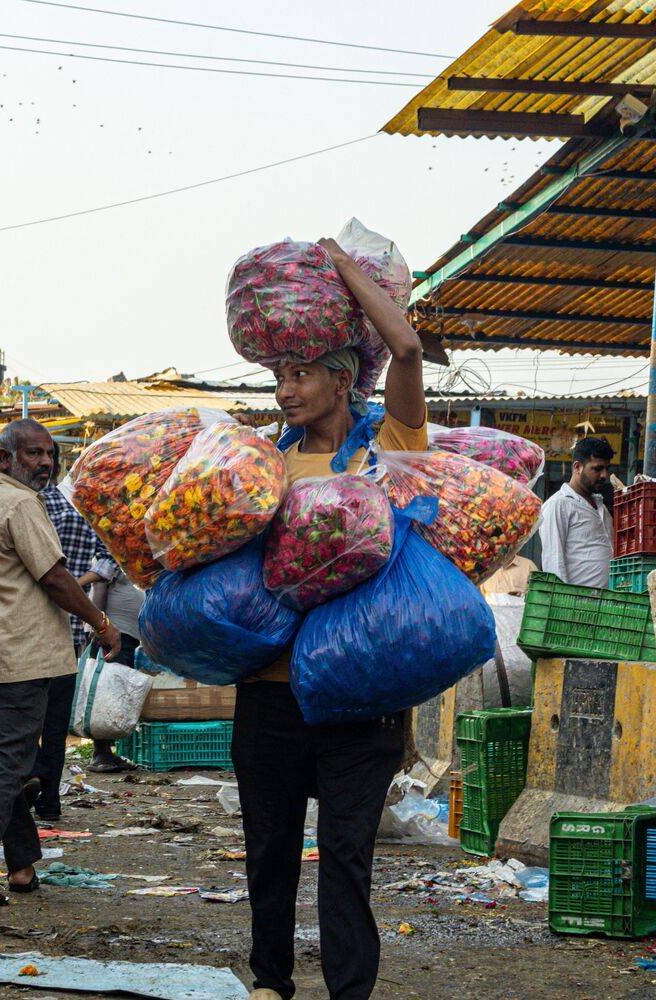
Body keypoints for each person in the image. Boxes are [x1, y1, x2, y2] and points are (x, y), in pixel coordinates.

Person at [239, 237, 425, 1000]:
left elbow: (408, 348)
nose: (285, 389)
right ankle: (269, 981)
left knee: (346, 855)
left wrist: (344, 272)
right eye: (279, 374)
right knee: (270, 850)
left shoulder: (387, 445)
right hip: (271, 691)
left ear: (343, 377)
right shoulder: (259, 462)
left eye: (302, 372)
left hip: (360, 699)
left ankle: (350, 991)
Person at [0, 418, 119, 908]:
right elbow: (56, 578)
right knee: (7, 766)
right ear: (6, 460)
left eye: (49, 455)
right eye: (34, 454)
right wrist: (103, 624)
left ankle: (21, 868)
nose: (45, 463)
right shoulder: (21, 504)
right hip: (20, 658)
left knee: (10, 764)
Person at [32, 475, 131, 819]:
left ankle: (32, 781)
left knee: (31, 715)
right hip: (69, 627)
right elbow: (107, 564)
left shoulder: (36, 503)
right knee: (55, 722)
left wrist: (65, 583)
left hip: (30, 627)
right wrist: (76, 585)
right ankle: (49, 800)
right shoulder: (92, 511)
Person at [538, 437, 615, 589]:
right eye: (597, 468)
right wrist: (563, 603)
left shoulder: (601, 507)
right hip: (575, 607)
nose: (604, 475)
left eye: (607, 469)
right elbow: (553, 562)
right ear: (577, 467)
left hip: (606, 604)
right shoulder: (558, 505)